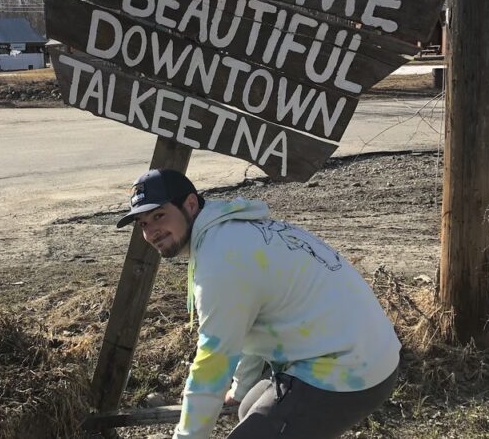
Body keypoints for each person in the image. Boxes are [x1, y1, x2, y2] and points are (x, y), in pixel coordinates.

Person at [116, 169, 401, 439]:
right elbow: (251, 323)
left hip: (349, 368)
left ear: (190, 205)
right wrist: (241, 388)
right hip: (366, 351)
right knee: (248, 406)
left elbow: (212, 362)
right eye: (143, 223)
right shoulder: (232, 231)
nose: (151, 231)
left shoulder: (221, 259)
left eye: (159, 215)